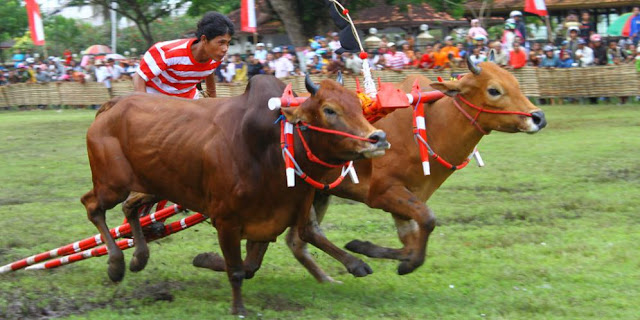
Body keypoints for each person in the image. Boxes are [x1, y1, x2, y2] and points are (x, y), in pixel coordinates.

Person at [133, 12, 233, 99]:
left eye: (228, 43)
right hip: (156, 97)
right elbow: (139, 76)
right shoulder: (167, 52)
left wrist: (213, 103)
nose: (225, 49)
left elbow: (209, 71)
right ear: (204, 40)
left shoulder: (217, 57)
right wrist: (143, 105)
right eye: (221, 42)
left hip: (186, 101)